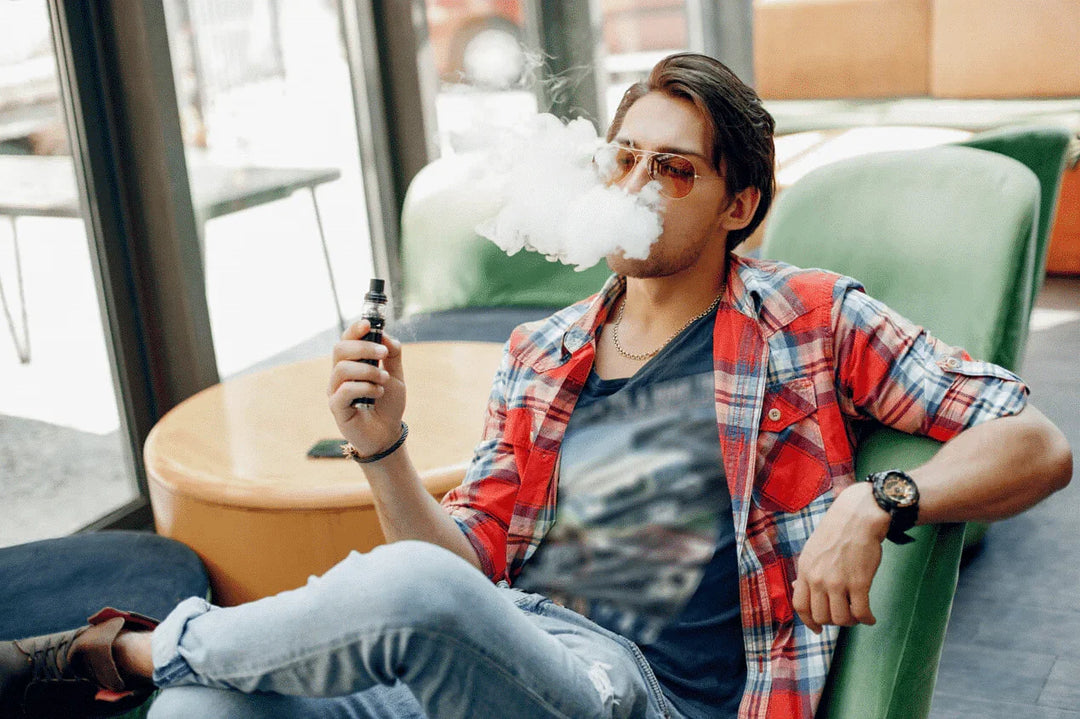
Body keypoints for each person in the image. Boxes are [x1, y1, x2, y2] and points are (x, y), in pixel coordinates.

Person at [0, 53, 1072, 719]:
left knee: (395, 601)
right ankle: (162, 661)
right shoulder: (542, 352)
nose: (638, 184)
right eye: (623, 159)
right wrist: (382, 445)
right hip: (509, 659)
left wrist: (877, 499)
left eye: (676, 169)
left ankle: (125, 646)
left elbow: (1035, 441)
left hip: (641, 696)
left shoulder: (810, 317)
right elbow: (462, 569)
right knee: (202, 709)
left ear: (740, 204)